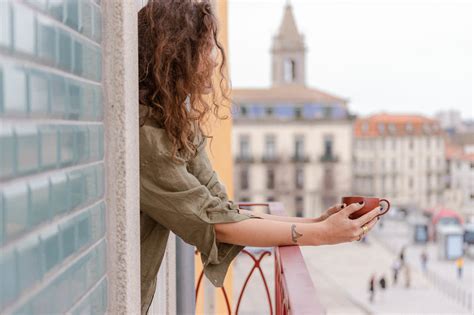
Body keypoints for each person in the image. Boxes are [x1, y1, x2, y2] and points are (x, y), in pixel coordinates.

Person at [137, 1, 382, 314]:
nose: (214, 61)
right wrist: (321, 234)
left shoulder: (173, 120)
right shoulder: (144, 133)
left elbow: (223, 209)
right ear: (173, 54)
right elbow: (212, 221)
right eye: (206, 48)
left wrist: (315, 221)